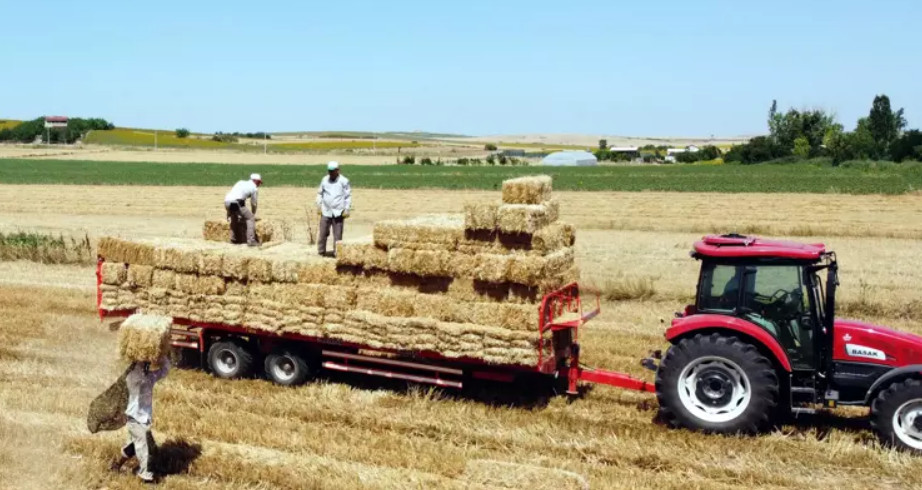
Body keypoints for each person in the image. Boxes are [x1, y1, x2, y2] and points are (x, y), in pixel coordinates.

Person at [110, 356, 171, 483]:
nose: (146, 367)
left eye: (146, 365)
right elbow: (140, 379)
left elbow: (165, 370)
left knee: (132, 447)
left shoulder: (149, 377)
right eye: (143, 364)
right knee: (145, 447)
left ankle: (116, 465)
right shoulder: (132, 377)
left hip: (144, 419)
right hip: (134, 418)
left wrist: (162, 355)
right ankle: (146, 477)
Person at [315, 161, 351, 256]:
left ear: (338, 170)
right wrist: (319, 205)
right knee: (322, 233)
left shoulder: (344, 181)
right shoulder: (324, 180)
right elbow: (319, 193)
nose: (330, 173)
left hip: (338, 212)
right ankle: (321, 252)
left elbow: (347, 196)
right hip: (326, 211)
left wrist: (346, 209)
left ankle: (337, 253)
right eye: (329, 171)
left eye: (332, 171)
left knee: (338, 235)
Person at [224, 174, 262, 246]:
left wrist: (228, 213)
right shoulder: (254, 188)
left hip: (227, 201)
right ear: (256, 181)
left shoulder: (240, 182)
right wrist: (253, 214)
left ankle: (233, 239)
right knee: (250, 218)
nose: (259, 184)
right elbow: (254, 203)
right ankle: (251, 241)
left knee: (234, 218)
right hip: (236, 203)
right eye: (259, 182)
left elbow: (235, 194)